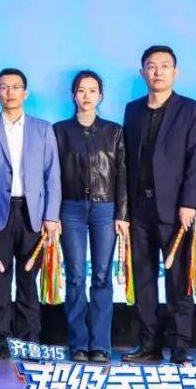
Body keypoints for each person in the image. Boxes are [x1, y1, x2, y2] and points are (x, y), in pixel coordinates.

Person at [121, 46, 196, 365]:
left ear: (175, 72)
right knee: (143, 279)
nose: (158, 72)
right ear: (142, 72)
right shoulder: (132, 110)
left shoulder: (191, 110)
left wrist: (190, 203)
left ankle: (180, 347)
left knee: (178, 280)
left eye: (164, 66)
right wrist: (124, 211)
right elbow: (126, 162)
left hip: (175, 210)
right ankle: (148, 344)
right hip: (139, 210)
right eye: (152, 66)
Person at [0, 68, 61, 362]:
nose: (10, 92)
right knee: (0, 279)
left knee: (28, 279)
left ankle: (30, 340)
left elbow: (52, 176)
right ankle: (0, 342)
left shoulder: (43, 129)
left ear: (26, 93)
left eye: (15, 87)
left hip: (33, 214)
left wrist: (51, 216)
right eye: (4, 87)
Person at [53, 70, 127, 363]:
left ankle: (101, 345)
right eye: (81, 90)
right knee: (75, 276)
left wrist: (122, 213)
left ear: (101, 96)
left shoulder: (114, 131)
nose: (87, 95)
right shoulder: (59, 131)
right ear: (73, 95)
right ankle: (78, 344)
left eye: (92, 90)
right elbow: (52, 176)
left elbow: (122, 175)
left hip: (105, 208)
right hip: (70, 209)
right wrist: (52, 214)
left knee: (101, 276)